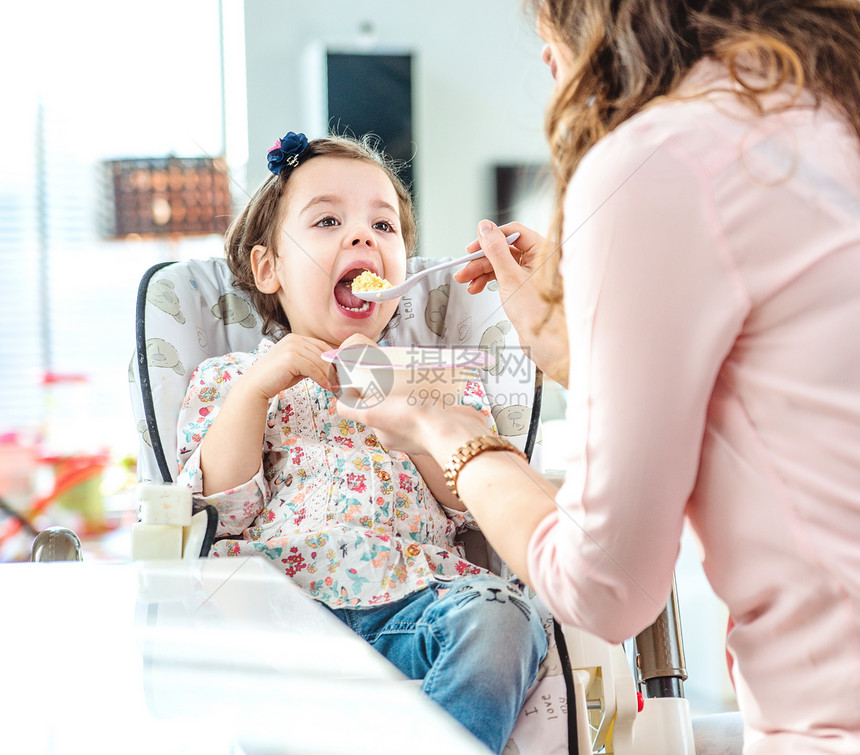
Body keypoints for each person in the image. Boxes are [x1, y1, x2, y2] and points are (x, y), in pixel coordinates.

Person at [336, 2, 860, 753]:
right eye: (324, 222)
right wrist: (586, 345)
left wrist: (451, 432)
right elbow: (778, 402)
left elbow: (604, 588)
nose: (553, 71)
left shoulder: (660, 162)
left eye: (549, 35)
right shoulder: (826, 113)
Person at [175, 131, 547, 754]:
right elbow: (223, 512)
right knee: (219, 641)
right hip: (280, 609)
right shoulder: (230, 382)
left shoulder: (435, 376)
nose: (363, 236)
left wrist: (409, 402)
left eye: (385, 224)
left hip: (415, 603)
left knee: (506, 618)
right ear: (269, 269)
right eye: (327, 220)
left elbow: (472, 501)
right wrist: (256, 392)